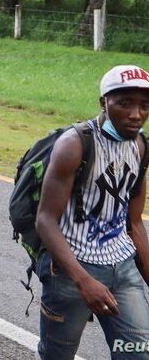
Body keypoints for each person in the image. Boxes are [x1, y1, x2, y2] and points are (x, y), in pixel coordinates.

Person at [35, 65, 149, 359]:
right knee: (57, 355)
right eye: (124, 103)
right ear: (104, 103)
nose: (136, 114)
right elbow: (45, 220)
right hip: (70, 271)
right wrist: (83, 280)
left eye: (145, 106)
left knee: (137, 352)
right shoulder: (75, 145)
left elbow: (134, 222)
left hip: (123, 269)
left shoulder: (140, 146)